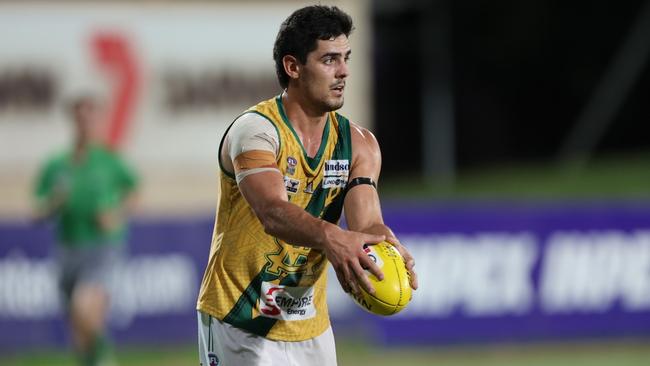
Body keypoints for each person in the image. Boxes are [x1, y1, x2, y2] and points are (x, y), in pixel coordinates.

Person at [196, 5, 418, 366]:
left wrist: (384, 246)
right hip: (239, 320)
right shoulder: (256, 132)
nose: (344, 70)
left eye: (346, 58)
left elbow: (366, 224)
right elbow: (272, 213)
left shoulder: (358, 143)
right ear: (293, 67)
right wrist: (332, 236)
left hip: (310, 328)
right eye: (329, 59)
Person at [34, 95, 138, 366]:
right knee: (78, 329)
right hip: (68, 247)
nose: (85, 124)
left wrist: (116, 215)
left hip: (103, 247)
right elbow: (37, 211)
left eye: (91, 118)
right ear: (73, 121)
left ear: (98, 122)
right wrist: (54, 202)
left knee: (84, 307)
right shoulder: (57, 164)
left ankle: (105, 357)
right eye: (80, 118)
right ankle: (96, 359)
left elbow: (133, 191)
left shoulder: (108, 160)